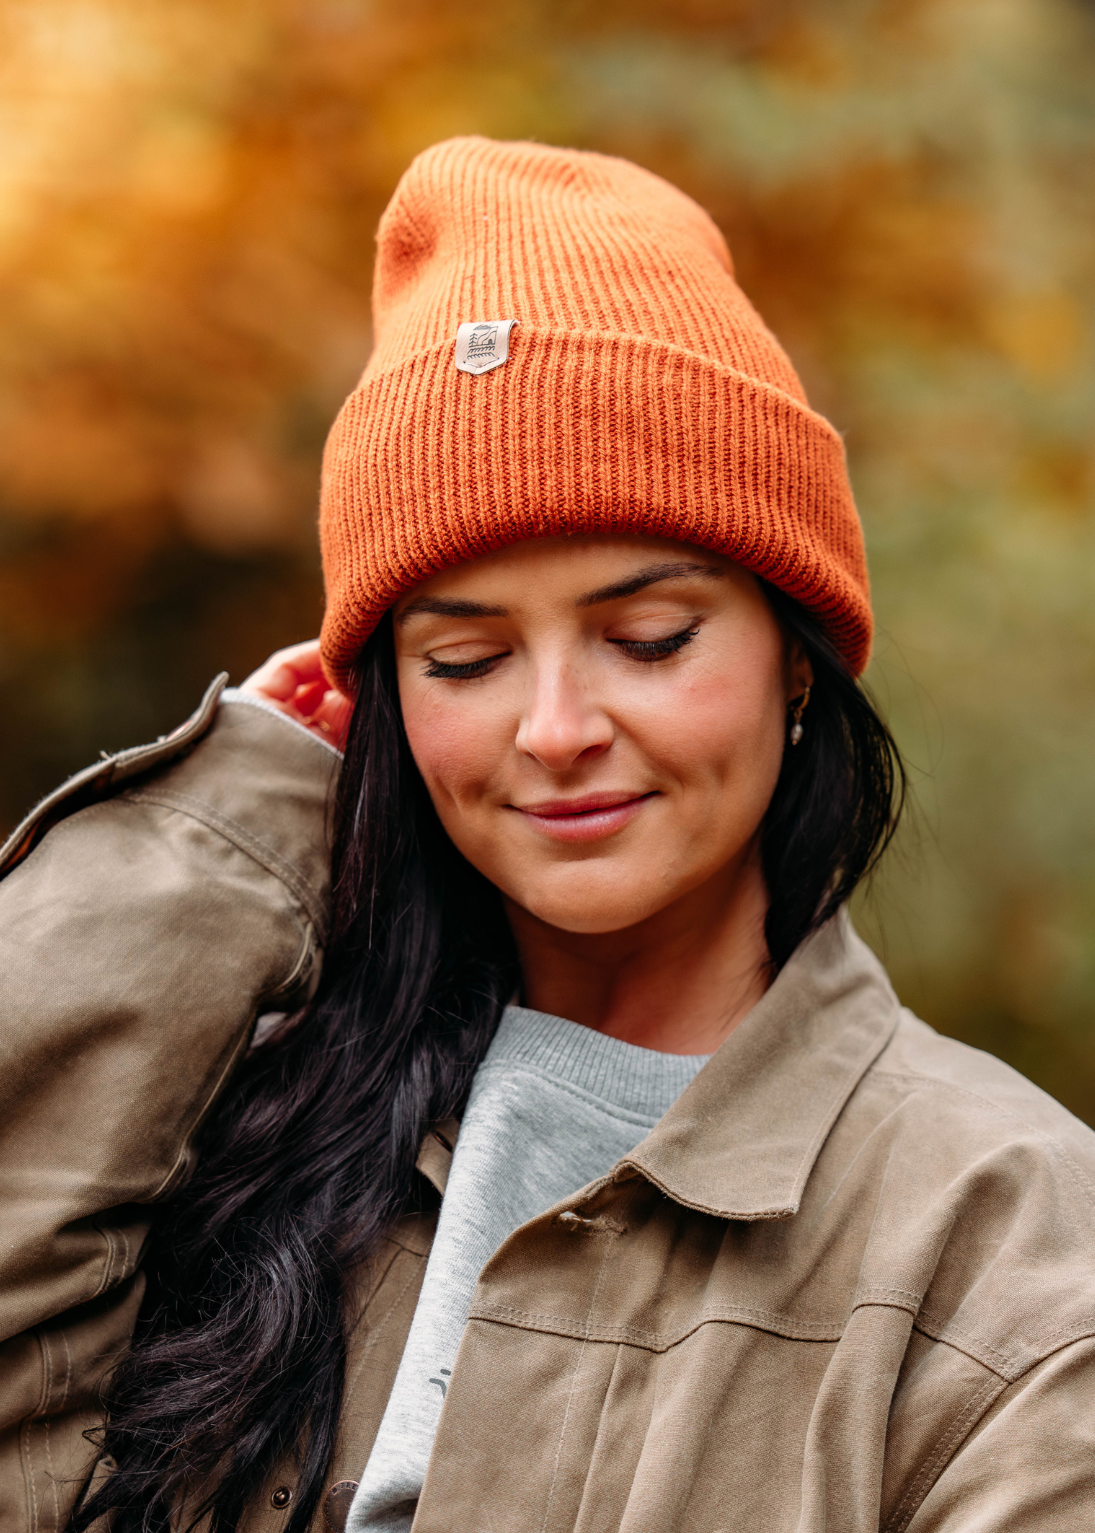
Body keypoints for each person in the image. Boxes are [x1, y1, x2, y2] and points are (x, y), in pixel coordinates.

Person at [0, 137, 1092, 1533]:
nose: (555, 725)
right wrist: (234, 824)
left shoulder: (1002, 1233)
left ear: (796, 658)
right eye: (463, 660)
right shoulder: (239, 1123)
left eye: (646, 637)